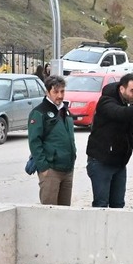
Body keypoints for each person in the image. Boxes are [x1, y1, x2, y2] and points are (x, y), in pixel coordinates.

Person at [86, 72, 133, 208]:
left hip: (119, 163)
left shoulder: (130, 102)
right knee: (101, 205)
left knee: (118, 205)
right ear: (122, 89)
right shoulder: (106, 101)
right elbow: (119, 113)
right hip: (101, 162)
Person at [28, 75, 78, 204]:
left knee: (65, 212)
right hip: (51, 170)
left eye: (62, 91)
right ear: (47, 92)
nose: (60, 95)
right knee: (49, 213)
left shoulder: (64, 111)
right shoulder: (39, 112)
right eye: (56, 92)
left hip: (67, 169)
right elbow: (34, 142)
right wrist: (44, 167)